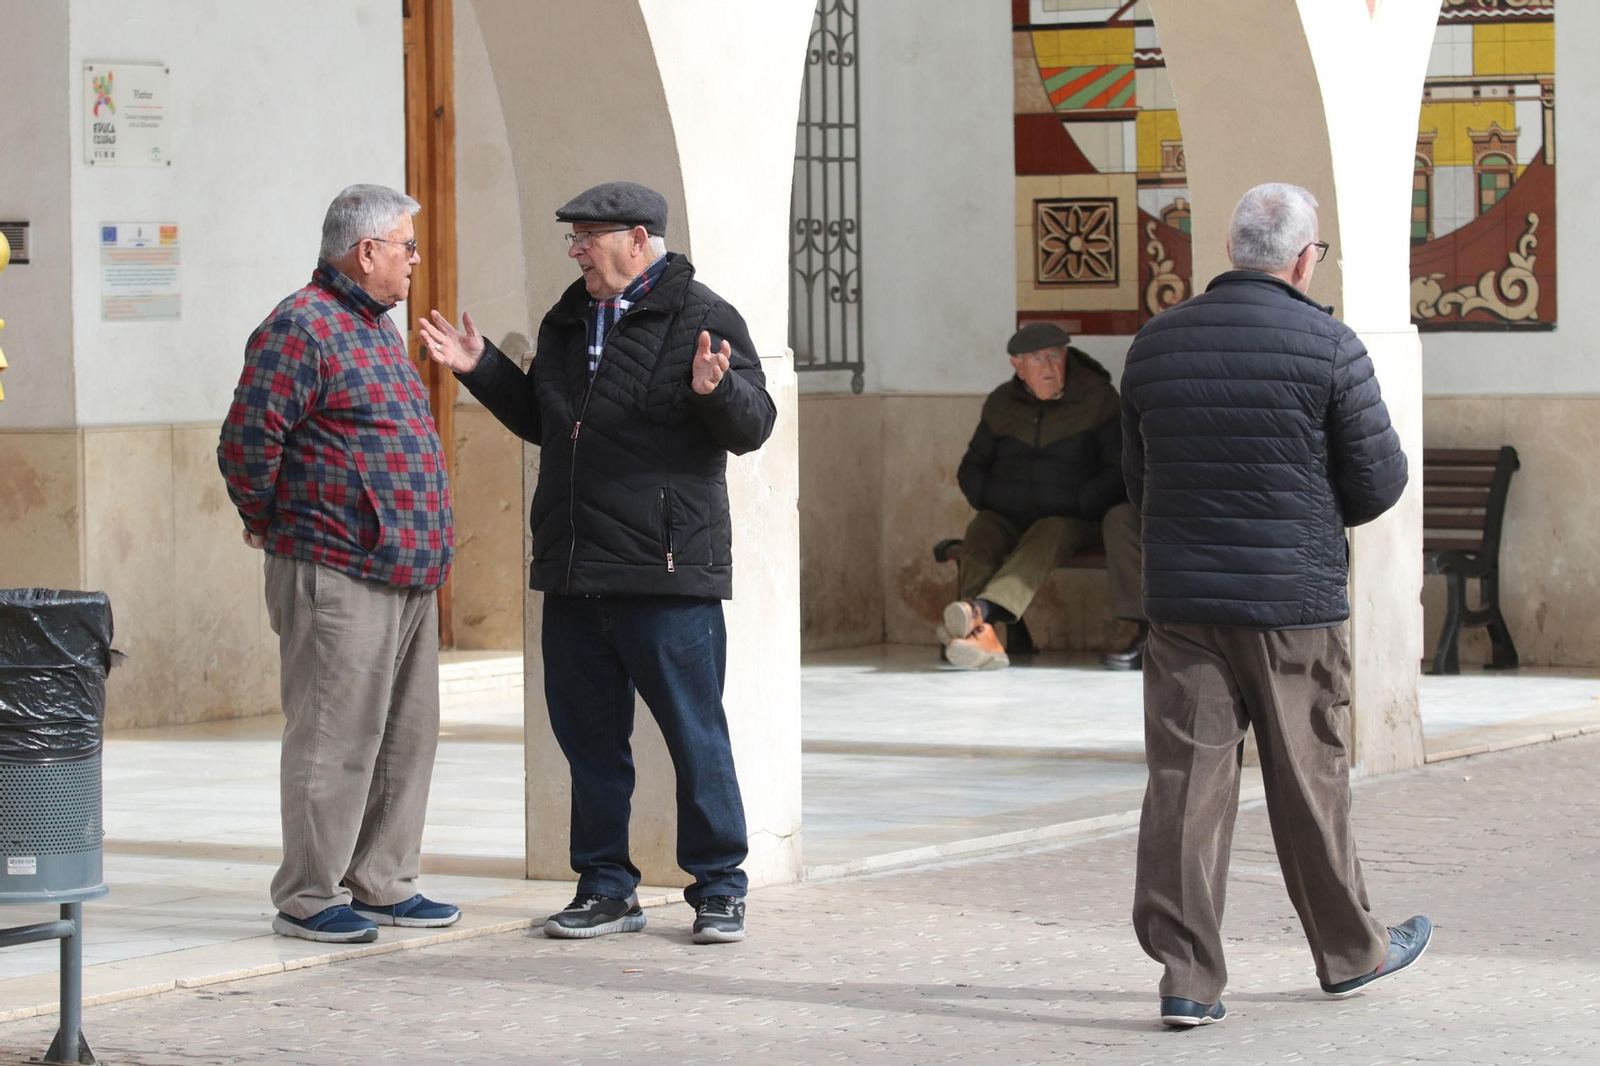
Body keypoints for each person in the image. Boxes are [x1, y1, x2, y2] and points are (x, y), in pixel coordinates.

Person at [420, 181, 776, 944]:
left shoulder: (703, 316)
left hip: (666, 573)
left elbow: (755, 426)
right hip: (576, 569)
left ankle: (718, 886)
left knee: (694, 735)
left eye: (589, 235)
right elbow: (552, 426)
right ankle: (607, 885)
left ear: (639, 239)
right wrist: (482, 368)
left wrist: (717, 395)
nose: (577, 249)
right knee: (588, 742)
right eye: (573, 237)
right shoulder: (565, 319)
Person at [1120, 182, 1428, 1028]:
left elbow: (1136, 482)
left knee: (1185, 787)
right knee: (1309, 782)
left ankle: (1186, 977)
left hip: (1184, 605)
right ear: (1302, 258)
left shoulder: (1154, 346)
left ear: (1232, 252)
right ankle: (1351, 953)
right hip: (1293, 605)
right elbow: (1379, 482)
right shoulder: (1329, 345)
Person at [218, 184, 460, 944]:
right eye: (407, 246)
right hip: (336, 566)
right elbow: (247, 441)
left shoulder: (375, 330)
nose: (415, 260)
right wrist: (266, 520)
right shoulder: (301, 326)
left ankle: (382, 880)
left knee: (404, 736)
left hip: (405, 570)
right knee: (334, 735)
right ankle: (308, 893)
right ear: (367, 253)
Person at [944, 323, 1146, 670]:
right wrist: (992, 498)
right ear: (1017, 366)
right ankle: (982, 634)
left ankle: (980, 614)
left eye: (1055, 356)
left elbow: (1119, 469)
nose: (1049, 366)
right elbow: (971, 467)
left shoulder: (1098, 399)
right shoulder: (1001, 403)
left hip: (1074, 519)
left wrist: (1079, 502)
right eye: (1037, 359)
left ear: (1066, 357)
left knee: (1048, 532)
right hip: (1010, 513)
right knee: (982, 531)